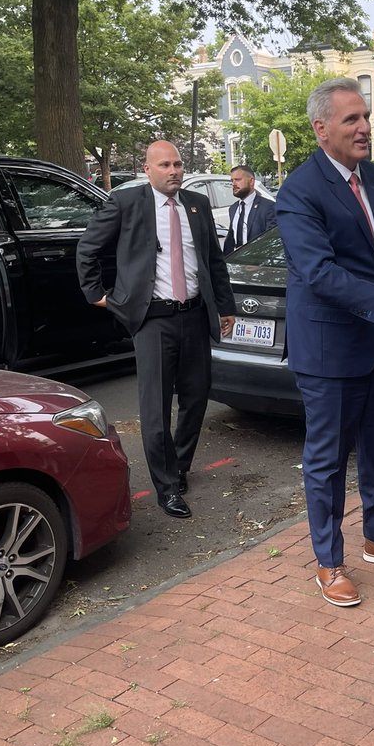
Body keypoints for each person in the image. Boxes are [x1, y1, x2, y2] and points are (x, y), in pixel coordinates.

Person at [276, 77, 374, 607]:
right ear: (321, 129)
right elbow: (318, 274)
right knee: (326, 460)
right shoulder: (300, 190)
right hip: (327, 350)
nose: (365, 127)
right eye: (351, 119)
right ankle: (328, 561)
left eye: (366, 117)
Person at [77, 140, 234, 519]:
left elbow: (213, 261)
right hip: (152, 320)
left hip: (195, 316)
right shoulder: (127, 203)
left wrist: (225, 308)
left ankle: (178, 468)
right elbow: (88, 249)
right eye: (165, 165)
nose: (174, 171)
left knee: (196, 397)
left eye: (178, 164)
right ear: (148, 170)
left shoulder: (196, 205)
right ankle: (166, 488)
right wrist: (100, 296)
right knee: (156, 407)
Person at [223, 164, 277, 254]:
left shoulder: (268, 207)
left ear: (251, 181)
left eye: (238, 180)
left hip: (257, 262)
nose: (233, 184)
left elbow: (271, 241)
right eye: (232, 180)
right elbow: (231, 240)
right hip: (236, 263)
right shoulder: (233, 209)